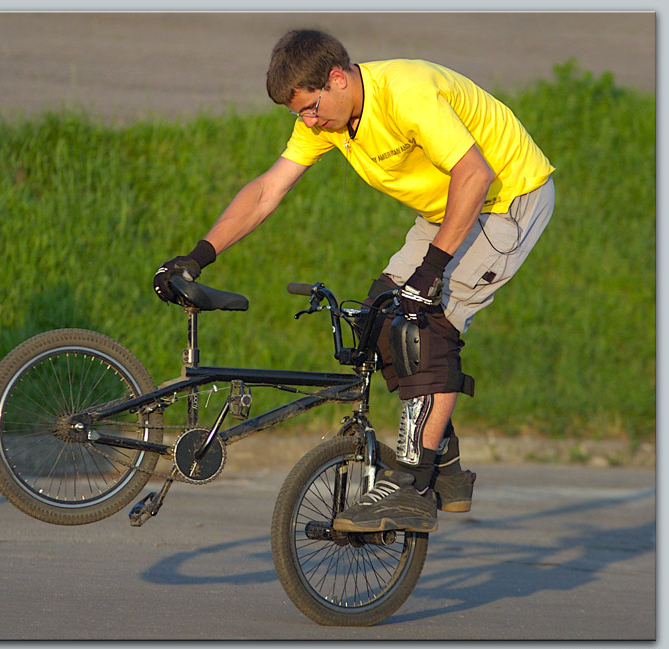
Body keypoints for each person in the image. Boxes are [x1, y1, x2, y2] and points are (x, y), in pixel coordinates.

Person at [153, 29, 555, 534]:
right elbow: (265, 192)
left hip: (506, 198)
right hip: (447, 208)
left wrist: (431, 272)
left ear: (337, 78)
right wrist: (196, 258)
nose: (309, 122)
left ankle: (413, 485)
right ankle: (446, 466)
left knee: (423, 325)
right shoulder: (328, 121)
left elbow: (475, 175)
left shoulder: (405, 93)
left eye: (311, 109)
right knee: (379, 316)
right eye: (299, 114)